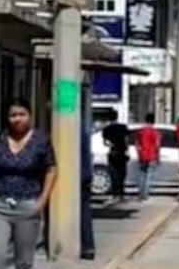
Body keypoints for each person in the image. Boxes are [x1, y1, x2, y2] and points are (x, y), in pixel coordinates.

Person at [0, 98, 56, 269]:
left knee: (23, 262)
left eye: (22, 114)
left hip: (28, 206)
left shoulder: (41, 141)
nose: (17, 119)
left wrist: (42, 201)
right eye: (13, 115)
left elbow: (51, 169)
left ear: (29, 116)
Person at [100, 109, 129, 201]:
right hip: (122, 153)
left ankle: (114, 193)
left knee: (113, 173)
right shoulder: (123, 127)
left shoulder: (106, 129)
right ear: (117, 117)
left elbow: (105, 142)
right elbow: (126, 139)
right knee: (122, 174)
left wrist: (111, 145)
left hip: (112, 153)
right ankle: (121, 193)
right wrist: (126, 149)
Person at [79, 98, 95, 260]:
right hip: (84, 172)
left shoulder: (68, 124)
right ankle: (88, 246)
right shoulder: (83, 125)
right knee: (84, 212)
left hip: (76, 173)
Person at [134, 114, 161, 201]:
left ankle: (140, 194)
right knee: (148, 176)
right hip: (151, 156)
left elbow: (137, 143)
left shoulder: (140, 131)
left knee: (142, 175)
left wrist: (139, 152)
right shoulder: (154, 132)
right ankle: (145, 195)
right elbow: (157, 145)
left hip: (142, 155)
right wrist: (158, 157)